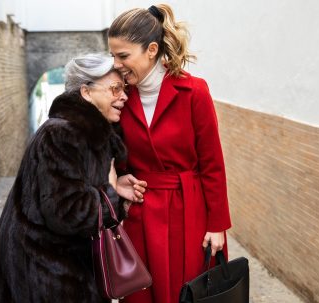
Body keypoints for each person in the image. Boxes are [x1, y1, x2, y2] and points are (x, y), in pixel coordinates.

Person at [0, 53, 146, 303]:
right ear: (86, 92)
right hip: (44, 271)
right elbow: (68, 211)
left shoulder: (83, 132)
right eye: (115, 89)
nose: (123, 96)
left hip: (58, 265)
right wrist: (110, 191)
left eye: (123, 88)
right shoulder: (62, 135)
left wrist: (112, 188)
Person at [108, 4, 232, 303]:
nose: (116, 64)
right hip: (140, 213)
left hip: (188, 213)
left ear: (151, 50)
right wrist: (120, 184)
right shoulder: (120, 95)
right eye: (112, 55)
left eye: (123, 55)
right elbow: (115, 155)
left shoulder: (194, 92)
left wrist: (217, 226)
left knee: (186, 292)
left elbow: (212, 164)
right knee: (140, 294)